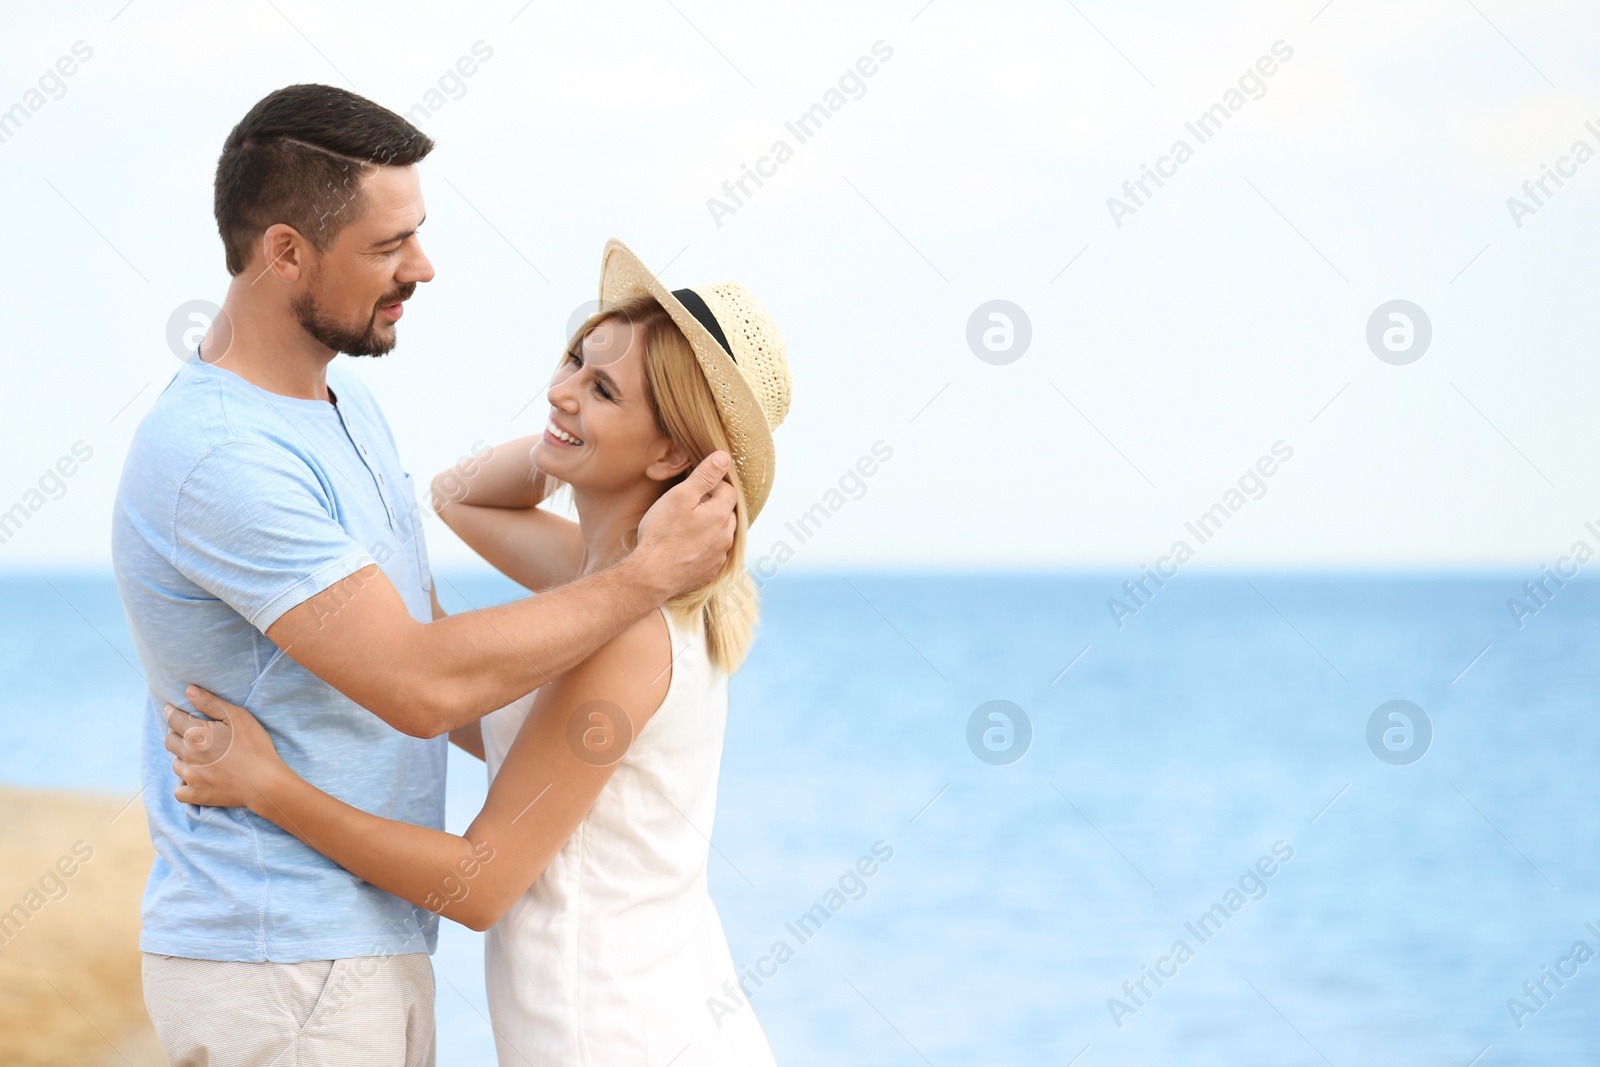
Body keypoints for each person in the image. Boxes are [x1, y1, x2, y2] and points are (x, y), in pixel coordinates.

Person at [112, 85, 736, 1067]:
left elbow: (448, 677)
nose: (423, 267)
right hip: (282, 954)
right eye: (387, 245)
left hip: (370, 948)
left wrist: (609, 465)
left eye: (419, 234)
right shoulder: (219, 452)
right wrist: (614, 485)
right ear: (286, 252)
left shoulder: (345, 404)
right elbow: (423, 682)